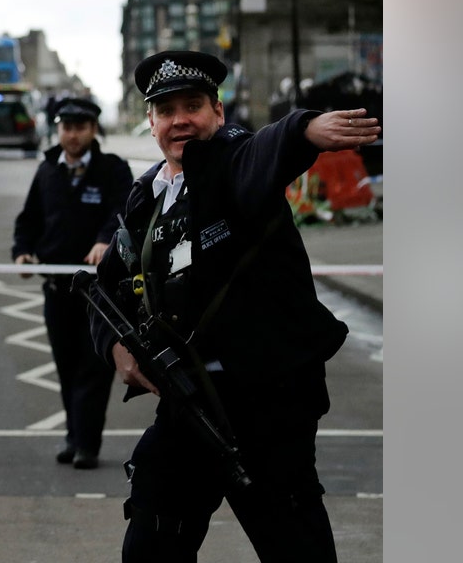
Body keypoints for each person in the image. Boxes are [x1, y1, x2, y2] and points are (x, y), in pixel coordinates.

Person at [90, 50, 380, 562]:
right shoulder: (145, 199)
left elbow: (265, 149)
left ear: (217, 114)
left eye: (194, 105)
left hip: (268, 404)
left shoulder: (232, 162)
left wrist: (305, 129)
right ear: (151, 123)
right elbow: (106, 288)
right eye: (167, 109)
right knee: (152, 534)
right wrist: (116, 347)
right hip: (189, 400)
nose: (181, 119)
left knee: (294, 543)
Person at [11, 95, 133, 470]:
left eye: (81, 128)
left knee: (93, 367)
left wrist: (104, 240)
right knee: (65, 366)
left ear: (94, 130)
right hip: (56, 288)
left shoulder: (112, 169)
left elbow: (125, 210)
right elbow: (29, 219)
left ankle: (87, 444)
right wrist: (23, 252)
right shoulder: (48, 170)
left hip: (99, 293)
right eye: (67, 128)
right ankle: (73, 435)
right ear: (58, 130)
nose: (73, 135)